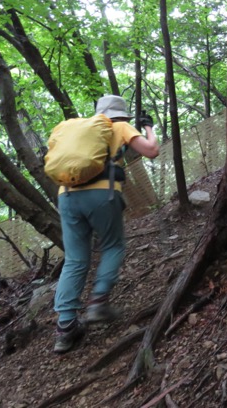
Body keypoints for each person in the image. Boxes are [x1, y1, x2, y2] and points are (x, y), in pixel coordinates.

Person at [52, 95, 160, 353]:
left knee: (75, 260)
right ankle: (98, 301)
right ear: (121, 114)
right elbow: (151, 151)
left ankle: (65, 328)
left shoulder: (79, 129)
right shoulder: (120, 126)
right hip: (102, 194)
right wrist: (149, 127)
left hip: (66, 196)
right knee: (112, 246)